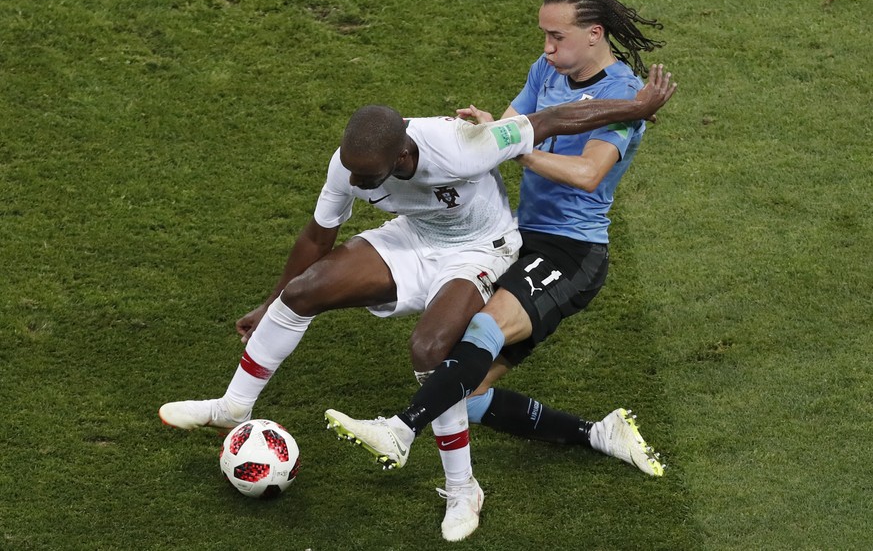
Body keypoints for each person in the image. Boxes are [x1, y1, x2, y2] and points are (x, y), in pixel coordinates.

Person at [159, 72, 674, 540]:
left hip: (481, 249)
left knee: (430, 349)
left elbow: (551, 119)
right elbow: (318, 237)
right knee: (302, 292)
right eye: (354, 176)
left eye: (369, 180)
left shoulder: (461, 145)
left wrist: (635, 106)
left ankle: (462, 489)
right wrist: (271, 300)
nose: (357, 186)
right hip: (414, 239)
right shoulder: (350, 163)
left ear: (404, 158)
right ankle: (233, 408)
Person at [325, 0, 674, 538]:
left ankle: (401, 428)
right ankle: (600, 434)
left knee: (479, 333)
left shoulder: (626, 98)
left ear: (594, 34)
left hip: (572, 251)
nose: (546, 48)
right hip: (516, 239)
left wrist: (521, 151)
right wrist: (487, 133)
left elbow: (587, 174)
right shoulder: (548, 72)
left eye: (556, 37)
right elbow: (510, 124)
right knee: (469, 390)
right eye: (543, 36)